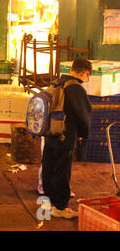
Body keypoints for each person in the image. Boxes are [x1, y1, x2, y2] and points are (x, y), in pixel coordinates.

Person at [41, 58, 92, 219]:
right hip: (66, 136)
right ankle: (60, 207)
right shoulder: (75, 89)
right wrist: (84, 134)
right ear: (85, 73)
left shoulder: (57, 82)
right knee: (62, 172)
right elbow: (84, 117)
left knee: (48, 167)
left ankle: (48, 202)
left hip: (50, 134)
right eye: (87, 76)